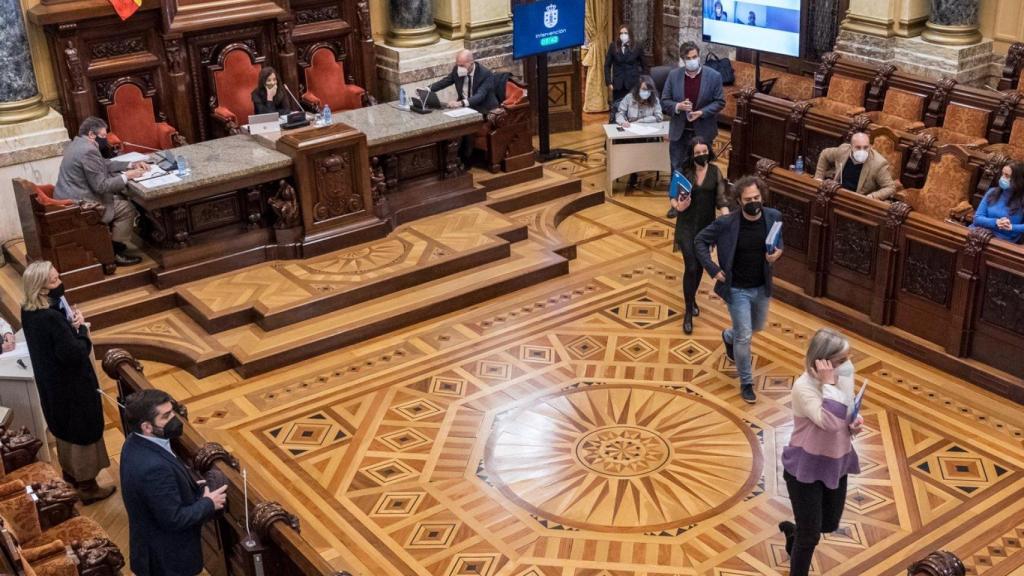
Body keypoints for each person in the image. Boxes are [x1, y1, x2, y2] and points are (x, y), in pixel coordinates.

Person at [20, 261, 117, 503]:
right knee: (82, 432)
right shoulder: (50, 318)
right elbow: (74, 354)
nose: (59, 282)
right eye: (53, 281)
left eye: (57, 276)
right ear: (41, 288)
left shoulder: (28, 310)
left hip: (53, 387)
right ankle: (87, 487)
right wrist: (81, 329)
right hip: (73, 389)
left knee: (65, 431)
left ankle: (71, 476)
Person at [779, 328, 862, 576]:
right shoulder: (803, 388)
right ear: (823, 362)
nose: (848, 365)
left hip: (836, 461)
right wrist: (828, 384)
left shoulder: (843, 376)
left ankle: (796, 533)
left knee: (828, 523)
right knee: (811, 536)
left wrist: (854, 422)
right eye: (841, 361)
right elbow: (829, 421)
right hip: (805, 469)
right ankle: (800, 540)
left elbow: (842, 414)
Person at [694, 176, 783, 403]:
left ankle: (728, 335)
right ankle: (746, 382)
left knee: (754, 327)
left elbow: (779, 243)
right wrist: (713, 269)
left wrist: (777, 253)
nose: (754, 202)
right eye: (748, 199)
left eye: (757, 197)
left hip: (761, 286)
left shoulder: (773, 217)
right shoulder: (727, 224)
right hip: (736, 289)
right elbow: (700, 241)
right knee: (745, 337)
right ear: (739, 201)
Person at [121, 388, 227, 576]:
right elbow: (174, 519)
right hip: (167, 559)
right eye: (166, 416)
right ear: (146, 426)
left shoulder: (134, 442)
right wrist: (209, 503)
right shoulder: (154, 469)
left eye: (172, 411)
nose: (174, 419)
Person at [54, 116, 148, 266]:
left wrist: (130, 164)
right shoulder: (87, 150)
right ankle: (114, 252)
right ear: (92, 134)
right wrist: (127, 176)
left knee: (119, 198)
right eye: (103, 136)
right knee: (127, 208)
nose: (106, 140)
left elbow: (103, 164)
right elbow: (101, 186)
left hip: (70, 197)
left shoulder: (77, 144)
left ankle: (113, 243)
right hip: (81, 205)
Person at [673, 137, 730, 334]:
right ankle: (688, 312)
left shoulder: (715, 172)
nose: (701, 155)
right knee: (690, 266)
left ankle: (692, 297)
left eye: (704, 151)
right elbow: (674, 198)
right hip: (687, 226)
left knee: (698, 269)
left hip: (706, 229)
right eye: (697, 153)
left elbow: (721, 199)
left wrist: (727, 220)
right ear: (691, 155)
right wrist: (678, 205)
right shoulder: (683, 172)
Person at [662, 41, 725, 215]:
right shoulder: (674, 76)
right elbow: (665, 101)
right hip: (680, 132)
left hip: (703, 132)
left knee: (702, 167)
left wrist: (702, 112)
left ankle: (701, 202)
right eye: (688, 58)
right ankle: (676, 203)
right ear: (683, 60)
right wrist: (678, 106)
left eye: (695, 57)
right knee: (677, 167)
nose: (692, 60)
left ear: (699, 56)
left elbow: (720, 102)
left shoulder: (713, 76)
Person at [429, 49, 500, 167]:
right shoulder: (458, 71)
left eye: (462, 65)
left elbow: (480, 96)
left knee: (465, 126)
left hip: (482, 109)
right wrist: (427, 89)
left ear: (471, 63)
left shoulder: (486, 75)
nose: (459, 68)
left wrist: (460, 103)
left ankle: (465, 161)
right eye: (457, 65)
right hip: (464, 108)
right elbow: (445, 82)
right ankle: (446, 159)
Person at [813, 132, 897, 201]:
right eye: (858, 147)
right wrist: (818, 179)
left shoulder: (878, 163)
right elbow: (825, 154)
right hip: (835, 194)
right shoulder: (843, 150)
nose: (862, 151)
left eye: (865, 147)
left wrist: (872, 196)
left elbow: (890, 187)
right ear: (851, 147)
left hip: (856, 201)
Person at [616, 75, 664, 190]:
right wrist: (623, 122)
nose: (646, 92)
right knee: (634, 143)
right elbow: (619, 114)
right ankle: (633, 171)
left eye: (648, 90)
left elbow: (659, 116)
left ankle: (640, 167)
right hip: (630, 135)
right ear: (638, 89)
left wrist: (641, 121)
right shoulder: (629, 98)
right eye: (643, 89)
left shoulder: (654, 99)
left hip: (648, 135)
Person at [972, 161, 1024, 243]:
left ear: (1018, 180)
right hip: (978, 234)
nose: (1002, 178)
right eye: (1002, 174)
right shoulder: (992, 192)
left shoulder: (1022, 200)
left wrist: (1011, 227)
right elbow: (977, 218)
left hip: (1003, 241)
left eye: (1007, 175)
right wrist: (996, 222)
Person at [605, 24, 646, 105]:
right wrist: (609, 83)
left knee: (632, 108)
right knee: (618, 108)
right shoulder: (613, 46)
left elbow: (644, 65)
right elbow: (607, 65)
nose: (623, 35)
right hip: (618, 85)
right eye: (621, 33)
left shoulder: (637, 46)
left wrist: (643, 82)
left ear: (630, 34)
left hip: (633, 84)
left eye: (625, 33)